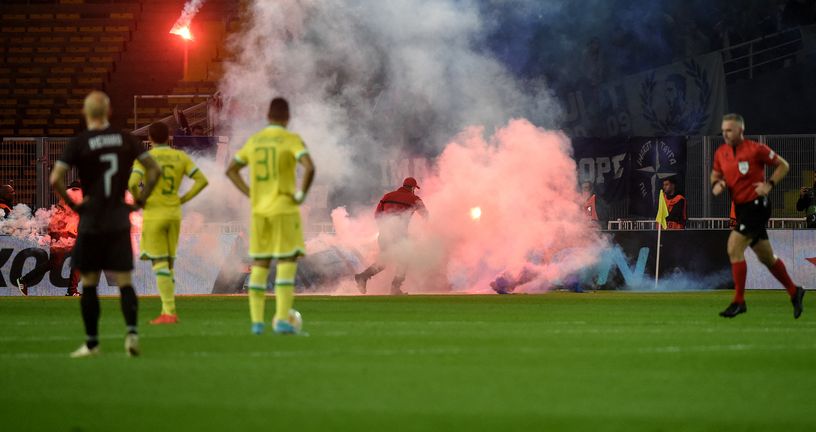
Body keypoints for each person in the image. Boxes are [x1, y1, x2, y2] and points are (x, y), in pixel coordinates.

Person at [50, 90, 160, 357]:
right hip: (118, 219)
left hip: (92, 221)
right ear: (109, 112)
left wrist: (75, 205)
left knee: (88, 282)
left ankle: (92, 343)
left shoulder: (80, 142)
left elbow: (55, 179)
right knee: (124, 281)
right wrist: (140, 201)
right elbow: (154, 170)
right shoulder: (125, 139)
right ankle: (132, 334)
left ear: (86, 113)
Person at [225, 97, 315, 335]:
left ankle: (256, 323)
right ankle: (282, 320)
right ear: (287, 118)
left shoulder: (255, 140)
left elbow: (231, 170)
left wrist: (249, 192)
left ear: (268, 116)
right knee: (286, 263)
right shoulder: (291, 139)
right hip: (285, 209)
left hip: (260, 211)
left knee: (260, 265)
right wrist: (300, 195)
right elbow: (309, 167)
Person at [711, 113, 804, 318]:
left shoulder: (756, 149)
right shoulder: (721, 153)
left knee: (733, 246)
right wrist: (717, 183)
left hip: (757, 205)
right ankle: (794, 291)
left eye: (729, 130)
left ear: (740, 130)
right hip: (742, 207)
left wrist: (769, 185)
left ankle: (739, 301)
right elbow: (716, 173)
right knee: (766, 256)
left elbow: (784, 165)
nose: (725, 133)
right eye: (723, 130)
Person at [128, 122, 209, 324]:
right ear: (168, 137)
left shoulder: (145, 159)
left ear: (150, 138)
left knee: (159, 262)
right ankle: (167, 309)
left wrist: (140, 200)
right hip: (174, 212)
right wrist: (184, 199)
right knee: (169, 262)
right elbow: (202, 181)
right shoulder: (179, 156)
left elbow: (131, 183)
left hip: (155, 212)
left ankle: (169, 312)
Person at [354, 177, 429, 295]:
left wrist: (384, 228)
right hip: (399, 235)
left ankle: (363, 277)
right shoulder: (414, 199)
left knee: (384, 261)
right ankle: (395, 287)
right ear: (413, 188)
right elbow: (425, 215)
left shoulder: (387, 196)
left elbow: (377, 215)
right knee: (405, 260)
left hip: (384, 234)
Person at [16, 180, 83, 296]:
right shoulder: (74, 193)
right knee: (55, 262)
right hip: (60, 231)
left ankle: (72, 291)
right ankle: (24, 280)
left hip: (68, 232)